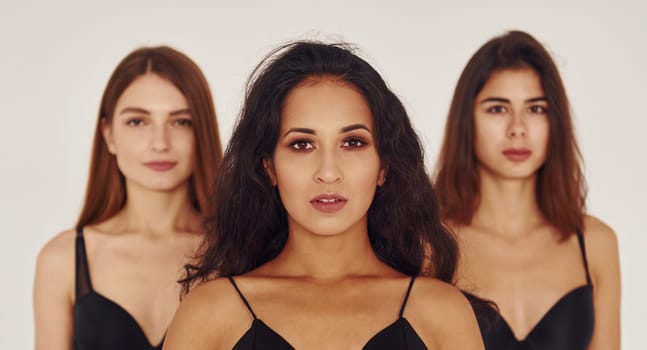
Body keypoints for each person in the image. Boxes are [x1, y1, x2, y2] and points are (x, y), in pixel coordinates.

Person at [162, 41, 484, 350]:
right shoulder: (209, 315)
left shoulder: (442, 315)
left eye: (353, 142)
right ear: (269, 167)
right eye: (302, 144)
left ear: (383, 166)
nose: (328, 173)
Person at [433, 30, 621, 350]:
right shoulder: (430, 246)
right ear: (467, 120)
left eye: (536, 109)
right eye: (497, 108)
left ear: (555, 122)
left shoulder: (594, 244)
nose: (517, 128)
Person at [33, 46, 223, 350]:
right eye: (138, 121)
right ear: (108, 134)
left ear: (203, 131)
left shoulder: (238, 250)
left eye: (181, 121)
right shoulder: (63, 259)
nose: (160, 143)